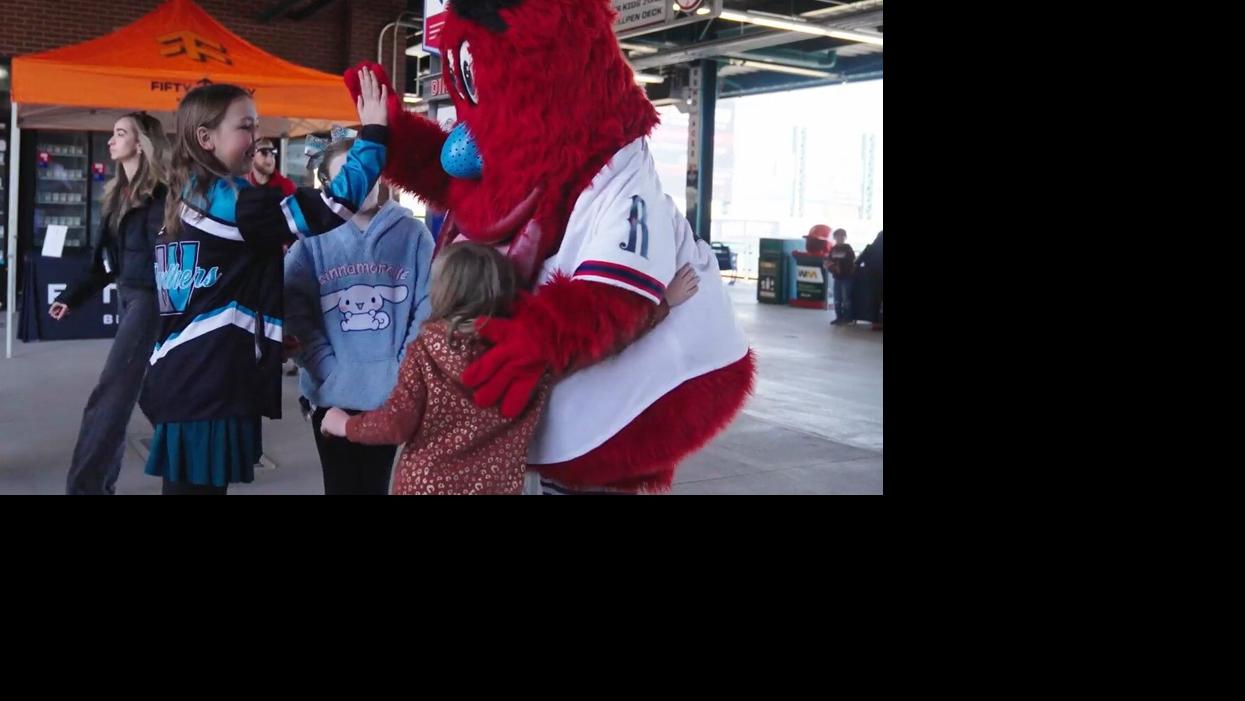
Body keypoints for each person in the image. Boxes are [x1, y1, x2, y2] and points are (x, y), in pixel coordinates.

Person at [139, 67, 389, 495]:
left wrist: (264, 335)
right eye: (245, 126)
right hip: (208, 388)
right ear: (205, 138)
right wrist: (375, 135)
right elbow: (332, 206)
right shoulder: (238, 204)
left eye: (257, 125)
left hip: (182, 380)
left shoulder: (187, 196)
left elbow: (213, 290)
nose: (256, 138)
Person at [320, 245, 702, 495]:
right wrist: (662, 304)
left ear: (442, 292)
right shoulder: (532, 353)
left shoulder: (425, 352)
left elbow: (395, 425)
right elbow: (602, 343)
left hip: (424, 486)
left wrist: (342, 423)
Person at [284, 137, 435, 495]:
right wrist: (324, 364)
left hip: (390, 392)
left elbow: (429, 305)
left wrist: (402, 369)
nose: (361, 186)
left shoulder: (413, 234)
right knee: (338, 485)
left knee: (375, 485)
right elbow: (291, 305)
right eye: (349, 178)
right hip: (330, 390)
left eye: (368, 174)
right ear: (328, 185)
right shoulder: (312, 239)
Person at [51, 112, 170, 495]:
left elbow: (172, 258)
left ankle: (87, 488)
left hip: (151, 302)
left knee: (111, 395)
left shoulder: (164, 197)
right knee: (150, 394)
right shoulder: (117, 196)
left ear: (142, 144)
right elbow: (104, 264)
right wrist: (71, 297)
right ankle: (197, 456)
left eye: (120, 133)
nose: (110, 141)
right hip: (128, 296)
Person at [827, 228, 855, 325]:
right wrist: (833, 268)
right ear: (835, 237)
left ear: (845, 237)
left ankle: (848, 318)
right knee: (837, 299)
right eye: (838, 236)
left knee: (846, 299)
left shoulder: (848, 248)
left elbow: (851, 260)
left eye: (842, 236)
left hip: (847, 277)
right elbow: (829, 262)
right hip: (837, 277)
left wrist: (839, 263)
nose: (840, 238)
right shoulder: (833, 249)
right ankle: (838, 317)